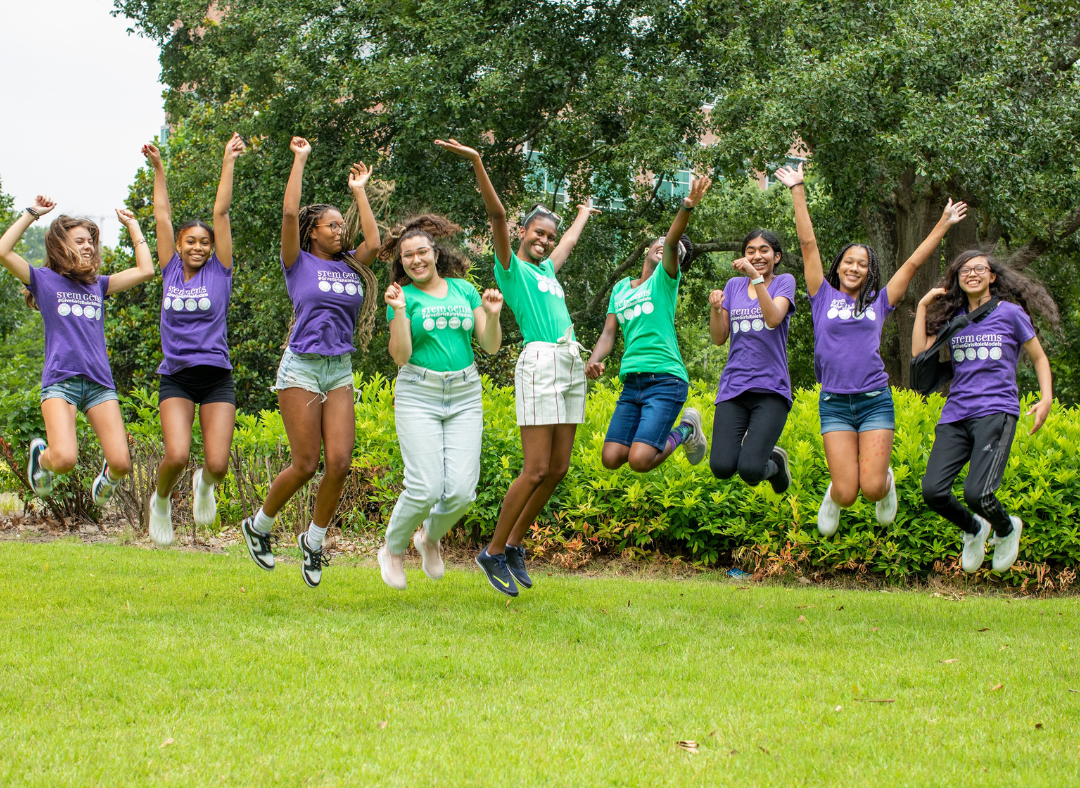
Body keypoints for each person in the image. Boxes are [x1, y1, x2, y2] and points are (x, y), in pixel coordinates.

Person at [435, 137, 600, 597]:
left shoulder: (548, 272)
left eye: (549, 236)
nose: (544, 241)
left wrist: (584, 213)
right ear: (522, 232)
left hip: (568, 361)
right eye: (537, 233)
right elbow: (496, 216)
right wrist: (477, 161)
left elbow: (567, 241)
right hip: (539, 361)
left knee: (559, 468)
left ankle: (513, 545)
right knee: (534, 468)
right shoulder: (512, 268)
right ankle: (490, 552)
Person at [773, 163, 968, 536]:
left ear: (869, 271)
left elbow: (912, 263)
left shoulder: (879, 301)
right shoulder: (821, 294)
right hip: (834, 403)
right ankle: (834, 495)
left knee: (874, 488)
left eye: (862, 264)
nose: (855, 267)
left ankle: (885, 482)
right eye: (849, 261)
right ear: (839, 266)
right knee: (847, 494)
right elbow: (808, 244)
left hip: (874, 399)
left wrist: (943, 222)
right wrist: (798, 188)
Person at [240, 136, 380, 588]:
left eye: (343, 225)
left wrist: (359, 190)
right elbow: (287, 213)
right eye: (332, 225)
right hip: (301, 367)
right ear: (313, 231)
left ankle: (314, 541)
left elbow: (374, 241)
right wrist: (299, 160)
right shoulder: (296, 262)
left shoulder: (351, 265)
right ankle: (259, 526)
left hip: (338, 368)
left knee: (339, 463)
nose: (340, 230)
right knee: (305, 464)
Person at [375, 215, 504, 589]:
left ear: (435, 253)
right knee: (424, 487)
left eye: (421, 252)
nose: (415, 260)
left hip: (464, 392)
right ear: (400, 262)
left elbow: (490, 345)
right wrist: (399, 312)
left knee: (463, 490)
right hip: (419, 393)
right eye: (407, 257)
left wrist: (493, 316)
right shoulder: (402, 296)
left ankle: (428, 538)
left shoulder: (463, 290)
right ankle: (393, 548)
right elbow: (400, 357)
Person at [0, 197, 154, 504]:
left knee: (122, 464)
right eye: (80, 241)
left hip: (99, 384)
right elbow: (3, 252)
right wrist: (32, 214)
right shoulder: (43, 280)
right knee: (65, 459)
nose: (88, 247)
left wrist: (133, 225)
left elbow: (146, 270)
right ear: (61, 246)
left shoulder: (98, 284)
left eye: (91, 242)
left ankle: (106, 477)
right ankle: (41, 459)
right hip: (61, 381)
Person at [914, 252, 1054, 573]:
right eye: (965, 269)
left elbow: (1039, 357)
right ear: (957, 278)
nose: (972, 273)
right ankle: (974, 529)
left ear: (992, 277)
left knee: (977, 493)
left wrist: (1046, 398)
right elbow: (920, 352)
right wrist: (922, 307)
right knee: (933, 491)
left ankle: (1006, 528)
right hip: (955, 415)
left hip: (996, 410)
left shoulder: (1011, 314)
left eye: (980, 269)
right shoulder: (955, 320)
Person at [142, 133, 245, 546]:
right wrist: (159, 169)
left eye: (204, 241)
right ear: (180, 247)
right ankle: (161, 501)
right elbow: (162, 217)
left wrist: (228, 160)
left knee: (217, 465)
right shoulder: (169, 269)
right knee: (178, 456)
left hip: (217, 375)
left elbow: (221, 211)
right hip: (178, 377)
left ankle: (205, 486)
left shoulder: (220, 269)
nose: (198, 246)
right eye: (191, 241)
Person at [585, 176, 713, 473]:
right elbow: (608, 333)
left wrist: (687, 206)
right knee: (612, 458)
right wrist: (594, 359)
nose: (669, 247)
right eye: (665, 242)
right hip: (633, 382)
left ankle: (686, 430)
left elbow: (672, 242)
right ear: (648, 247)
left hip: (666, 380)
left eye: (679, 251)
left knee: (640, 461)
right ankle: (673, 432)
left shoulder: (664, 282)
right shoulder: (620, 289)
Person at [707, 228, 797, 493]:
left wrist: (756, 277)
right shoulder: (734, 286)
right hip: (734, 387)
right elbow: (719, 337)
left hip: (770, 389)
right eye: (750, 251)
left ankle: (776, 465)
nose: (757, 255)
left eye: (764, 250)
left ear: (776, 256)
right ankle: (766, 460)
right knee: (722, 467)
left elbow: (773, 319)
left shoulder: (785, 282)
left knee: (750, 471)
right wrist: (715, 309)